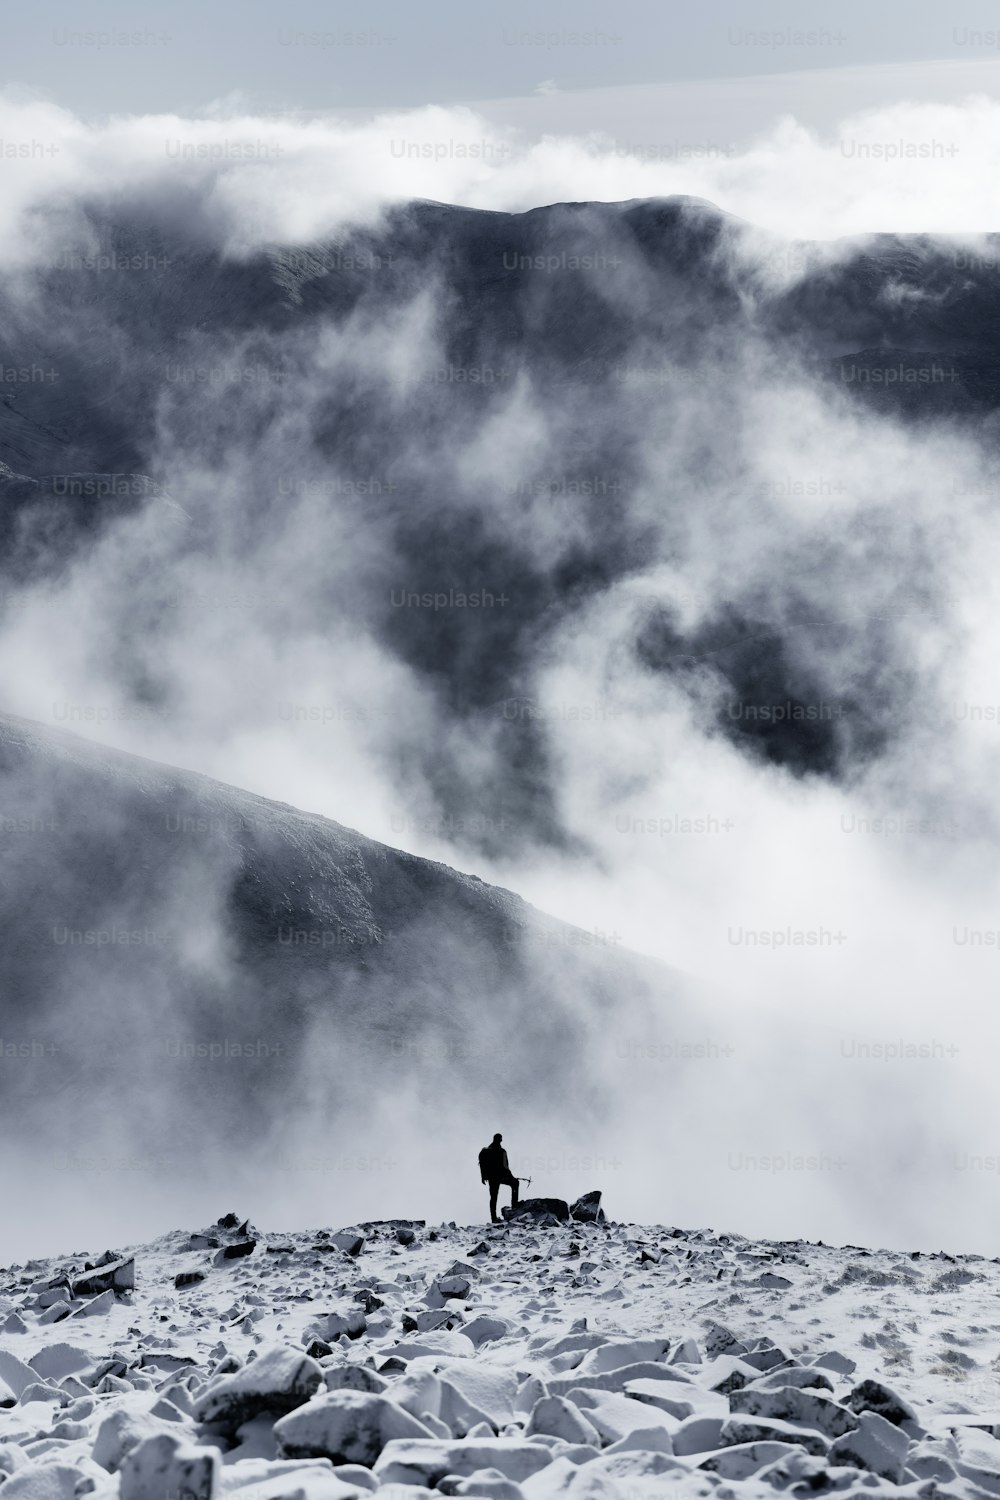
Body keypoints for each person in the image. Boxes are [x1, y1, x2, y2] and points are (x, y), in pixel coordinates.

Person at [479, 1132, 520, 1223]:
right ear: (500, 1140)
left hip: (491, 1178)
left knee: (493, 1197)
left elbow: (482, 1165)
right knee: (515, 1184)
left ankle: (493, 1218)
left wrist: (483, 1177)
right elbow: (506, 1167)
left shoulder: (486, 1151)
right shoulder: (502, 1151)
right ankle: (514, 1206)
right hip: (501, 1177)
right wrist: (512, 1177)